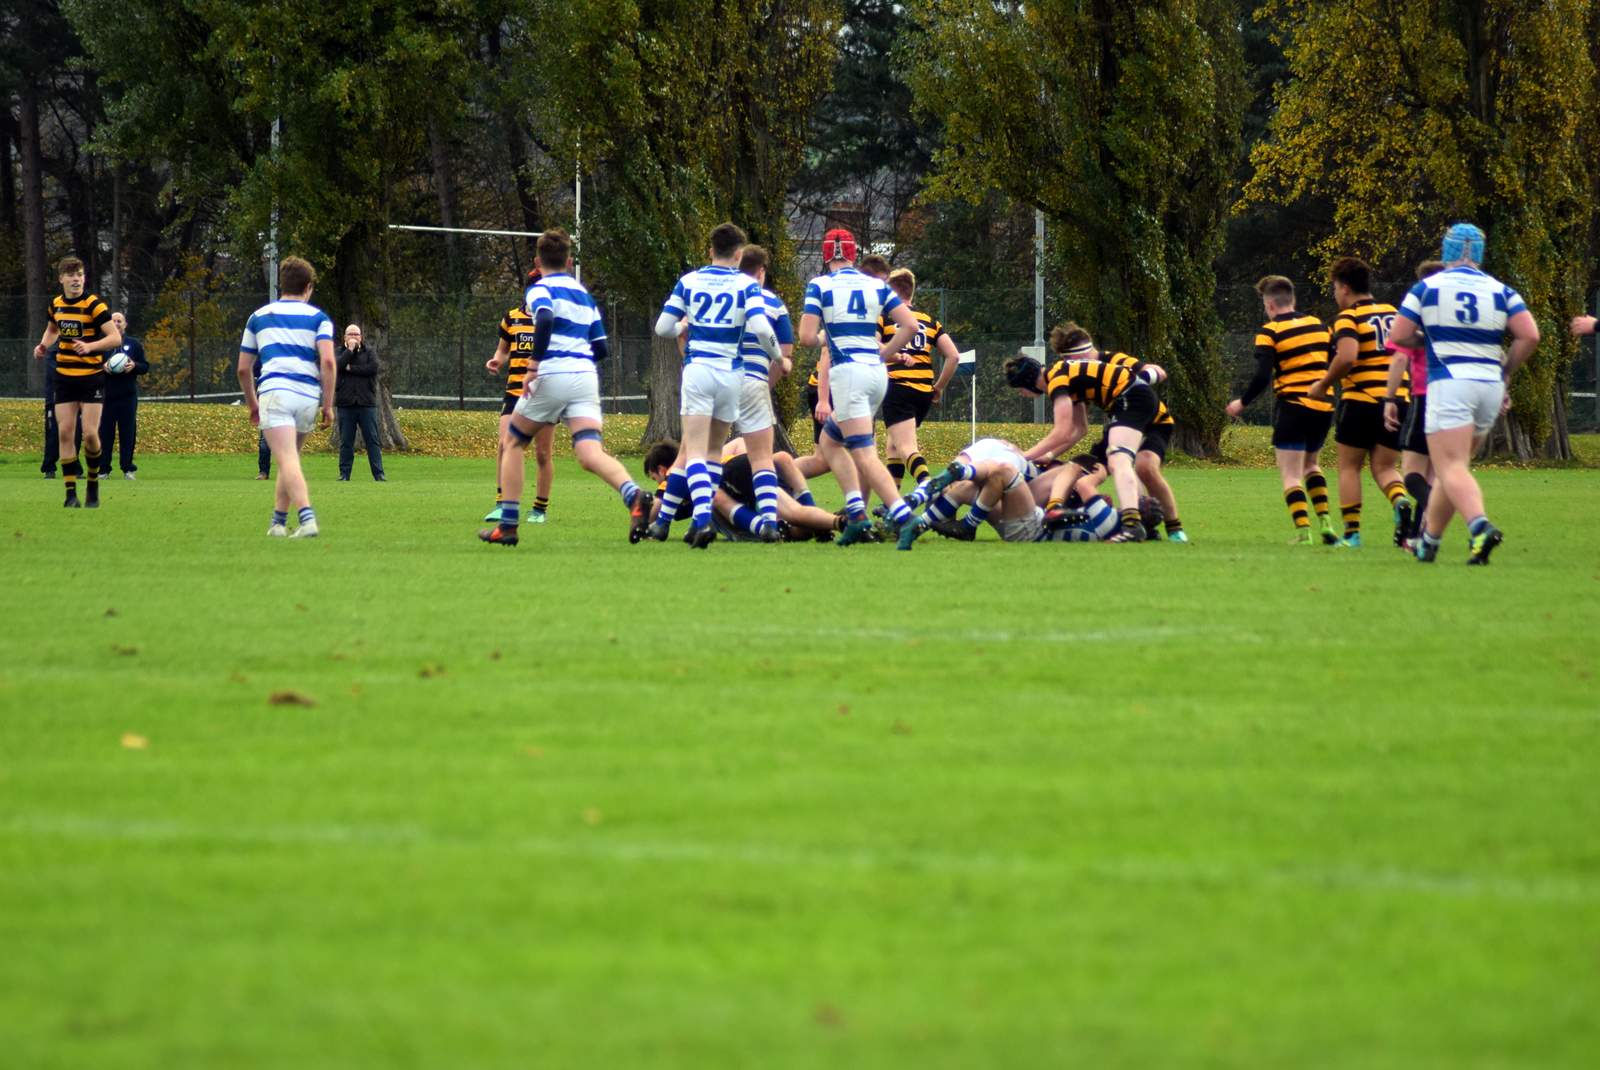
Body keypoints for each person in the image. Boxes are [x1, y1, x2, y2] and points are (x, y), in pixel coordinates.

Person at [480, 228, 648, 547]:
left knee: (512, 442)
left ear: (537, 261)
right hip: (585, 376)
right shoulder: (584, 296)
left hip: (552, 373)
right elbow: (601, 348)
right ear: (569, 262)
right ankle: (634, 495)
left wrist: (533, 365)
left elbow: (544, 318)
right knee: (589, 452)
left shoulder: (540, 289)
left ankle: (508, 525)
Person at [1388, 223, 1539, 565]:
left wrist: (1427, 340)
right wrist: (1505, 371)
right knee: (1453, 470)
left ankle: (1479, 526)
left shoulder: (1427, 287)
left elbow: (1399, 335)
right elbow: (1529, 335)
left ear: (1447, 251)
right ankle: (1429, 542)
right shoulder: (1501, 290)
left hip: (1451, 382)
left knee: (1451, 466)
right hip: (1490, 384)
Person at [649, 222, 781, 547]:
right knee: (712, 452)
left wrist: (682, 326)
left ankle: (702, 519)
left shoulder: (689, 281)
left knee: (693, 450)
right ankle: (700, 521)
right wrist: (778, 355)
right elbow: (762, 328)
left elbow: (663, 327)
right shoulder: (746, 284)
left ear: (710, 250)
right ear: (739, 254)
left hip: (699, 369)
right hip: (731, 373)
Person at [798, 227, 920, 544]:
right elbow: (910, 325)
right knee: (830, 441)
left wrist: (825, 337)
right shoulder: (876, 285)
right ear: (853, 254)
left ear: (826, 255)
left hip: (848, 374)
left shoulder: (820, 285)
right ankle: (856, 515)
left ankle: (904, 518)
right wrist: (886, 353)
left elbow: (806, 337)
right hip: (876, 374)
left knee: (864, 453)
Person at [1006, 322, 1163, 542]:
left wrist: (1024, 457)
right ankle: (1142, 522)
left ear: (1027, 383)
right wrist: (1050, 455)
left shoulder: (1056, 379)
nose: (1022, 394)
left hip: (1131, 397)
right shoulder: (1065, 377)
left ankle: (1132, 525)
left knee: (1118, 459)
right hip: (1133, 396)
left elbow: (1061, 432)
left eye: (1020, 389)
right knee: (1113, 460)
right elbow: (1079, 429)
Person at [1226, 276, 1337, 544]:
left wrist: (1243, 402)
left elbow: (1263, 376)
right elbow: (1334, 363)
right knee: (1312, 465)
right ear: (1293, 299)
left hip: (1293, 407)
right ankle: (1326, 522)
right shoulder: (1320, 326)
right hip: (1323, 407)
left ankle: (1304, 532)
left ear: (1270, 305)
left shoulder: (1270, 331)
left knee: (1291, 474)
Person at [1306, 257, 1407, 548]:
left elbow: (1348, 357)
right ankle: (1400, 501)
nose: (1335, 294)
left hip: (1361, 400)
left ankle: (1352, 533)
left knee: (1349, 468)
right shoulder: (1393, 313)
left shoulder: (1349, 317)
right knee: (1386, 467)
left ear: (1345, 288)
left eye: (1335, 288)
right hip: (1397, 399)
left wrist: (1323, 384)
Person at [235, 256, 337, 538]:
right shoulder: (319, 318)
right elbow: (328, 362)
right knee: (289, 458)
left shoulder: (258, 317)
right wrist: (328, 405)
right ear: (308, 287)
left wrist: (252, 404)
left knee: (287, 458)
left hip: (276, 392)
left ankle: (307, 519)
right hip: (307, 396)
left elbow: (243, 368)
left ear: (282, 285)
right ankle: (278, 523)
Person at [32, 256, 122, 508]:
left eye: (80, 275)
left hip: (91, 377)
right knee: (65, 432)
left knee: (90, 435)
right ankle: (70, 493)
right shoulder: (56, 304)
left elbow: (115, 338)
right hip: (64, 377)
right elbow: (53, 329)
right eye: (71, 275)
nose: (76, 279)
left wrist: (90, 347)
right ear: (61, 278)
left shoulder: (94, 305)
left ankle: (92, 482)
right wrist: (43, 346)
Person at [729, 244, 795, 530]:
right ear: (761, 272)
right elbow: (786, 354)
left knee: (699, 453)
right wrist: (765, 385)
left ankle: (683, 518)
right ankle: (769, 520)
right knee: (762, 457)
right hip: (753, 381)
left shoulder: (722, 295)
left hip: (717, 379)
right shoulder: (773, 304)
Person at [483, 269, 556, 523]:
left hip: (545, 393)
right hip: (515, 392)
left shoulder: (553, 320)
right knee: (505, 445)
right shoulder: (512, 317)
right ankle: (502, 503)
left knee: (542, 453)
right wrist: (497, 360)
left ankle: (539, 509)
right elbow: (503, 350)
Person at [880, 267, 959, 492]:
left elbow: (874, 345)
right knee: (893, 446)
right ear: (911, 292)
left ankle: (930, 487)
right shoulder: (929, 321)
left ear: (892, 293)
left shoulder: (886, 317)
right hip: (923, 391)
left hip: (898, 387)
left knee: (906, 447)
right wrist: (938, 387)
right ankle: (892, 503)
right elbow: (953, 356)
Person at [1384, 261, 1446, 547]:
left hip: (1425, 396)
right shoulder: (1454, 319)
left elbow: (1399, 357)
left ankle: (1438, 509)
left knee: (1412, 472)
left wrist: (1390, 398)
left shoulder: (1418, 315)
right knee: (1434, 472)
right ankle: (1419, 535)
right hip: (1457, 396)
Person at [97, 311, 148, 479]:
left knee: (128, 433)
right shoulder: (102, 344)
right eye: (113, 321)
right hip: (107, 396)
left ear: (125, 324)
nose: (117, 323)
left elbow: (145, 367)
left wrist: (134, 366)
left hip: (128, 396)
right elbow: (91, 368)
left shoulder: (134, 344)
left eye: (120, 321)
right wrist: (103, 368)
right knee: (105, 434)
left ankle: (128, 469)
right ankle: (104, 469)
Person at [334, 323, 387, 482]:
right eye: (350, 334)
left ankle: (379, 474)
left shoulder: (369, 352)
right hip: (346, 403)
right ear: (345, 337)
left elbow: (372, 368)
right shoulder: (339, 352)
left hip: (366, 403)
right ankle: (344, 474)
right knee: (346, 441)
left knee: (372, 440)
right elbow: (337, 366)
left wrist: (350, 369)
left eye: (356, 334)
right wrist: (349, 351)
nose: (353, 337)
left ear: (361, 337)